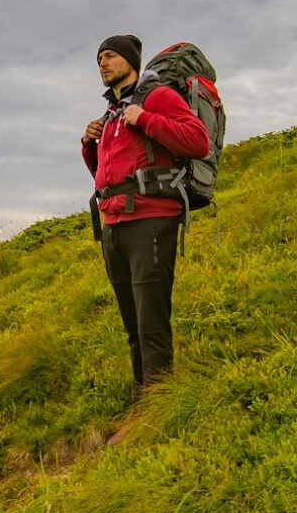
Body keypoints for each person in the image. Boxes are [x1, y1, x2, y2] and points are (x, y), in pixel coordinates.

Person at [82, 34, 211, 395]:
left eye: (109, 56)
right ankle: (143, 401)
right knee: (132, 324)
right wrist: (89, 144)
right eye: (98, 60)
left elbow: (197, 141)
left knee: (151, 322)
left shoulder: (157, 98)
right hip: (114, 224)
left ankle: (157, 405)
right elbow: (106, 175)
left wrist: (147, 118)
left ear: (130, 61)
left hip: (151, 220)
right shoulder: (112, 112)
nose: (102, 64)